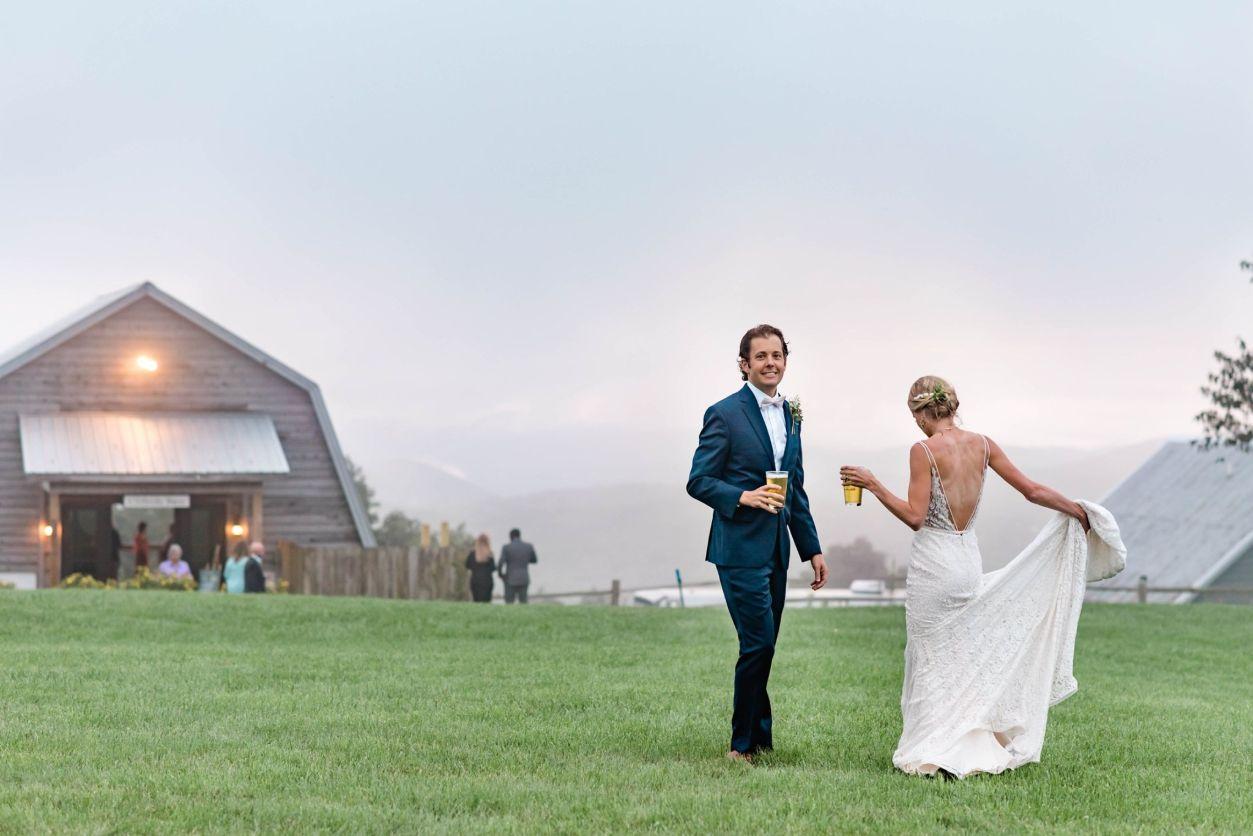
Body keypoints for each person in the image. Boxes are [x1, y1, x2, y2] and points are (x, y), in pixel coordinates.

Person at [840, 376, 1125, 779]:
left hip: (934, 565)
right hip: (966, 559)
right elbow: (1032, 490)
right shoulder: (984, 445)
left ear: (920, 414)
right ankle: (973, 741)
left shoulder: (923, 450)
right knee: (961, 655)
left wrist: (872, 484)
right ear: (953, 406)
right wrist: (1078, 512)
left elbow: (915, 517)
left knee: (930, 656)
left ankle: (934, 749)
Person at [686, 324, 827, 764]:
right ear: (744, 364)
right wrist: (742, 496)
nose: (770, 363)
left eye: (777, 355)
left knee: (765, 645)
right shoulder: (723, 414)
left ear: (785, 361)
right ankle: (741, 744)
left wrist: (811, 548)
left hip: (776, 550)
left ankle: (760, 741)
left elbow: (794, 487)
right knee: (758, 643)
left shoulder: (792, 415)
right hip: (738, 549)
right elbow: (699, 481)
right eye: (761, 356)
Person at [497, 529, 537, 604]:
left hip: (510, 578)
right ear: (519, 535)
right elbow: (534, 560)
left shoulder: (506, 547)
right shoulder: (529, 546)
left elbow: (501, 563)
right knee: (523, 601)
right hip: (524, 577)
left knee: (509, 602)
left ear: (510, 536)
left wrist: (500, 574)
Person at [465, 533, 496, 603]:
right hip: (487, 581)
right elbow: (493, 568)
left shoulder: (472, 554)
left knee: (476, 602)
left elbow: (467, 565)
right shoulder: (490, 554)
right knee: (486, 603)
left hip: (475, 580)